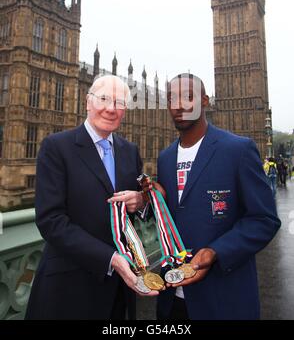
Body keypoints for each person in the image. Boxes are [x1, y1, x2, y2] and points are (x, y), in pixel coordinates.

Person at [25, 75, 158, 320]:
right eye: (104, 99)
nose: (110, 108)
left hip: (119, 290)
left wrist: (141, 201)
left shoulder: (130, 152)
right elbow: (50, 221)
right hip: (68, 289)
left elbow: (143, 211)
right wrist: (111, 259)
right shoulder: (56, 147)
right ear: (88, 102)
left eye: (118, 103)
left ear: (124, 110)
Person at [155, 73, 281, 320]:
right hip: (172, 301)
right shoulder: (165, 158)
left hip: (223, 300)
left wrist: (215, 252)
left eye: (187, 97)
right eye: (171, 98)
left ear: (205, 101)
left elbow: (264, 219)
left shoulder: (238, 150)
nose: (178, 105)